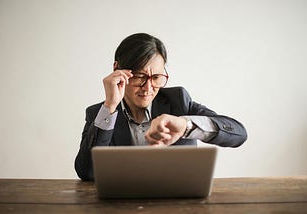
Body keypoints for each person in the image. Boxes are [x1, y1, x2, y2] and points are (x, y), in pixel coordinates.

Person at [75, 33, 247, 181]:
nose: (148, 89)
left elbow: (238, 133)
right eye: (139, 77)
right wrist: (110, 107)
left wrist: (186, 126)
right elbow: (87, 172)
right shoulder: (99, 114)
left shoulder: (178, 101)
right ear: (117, 70)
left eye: (156, 77)